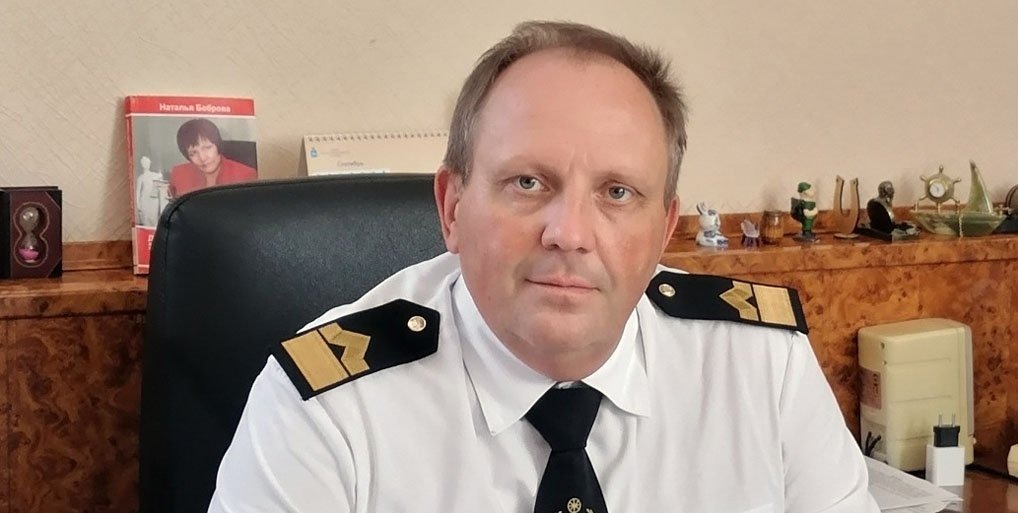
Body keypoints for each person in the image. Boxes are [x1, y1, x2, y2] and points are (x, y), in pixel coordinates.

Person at [209, 21, 878, 512]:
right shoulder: (327, 409)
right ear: (452, 207)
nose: (570, 234)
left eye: (618, 193)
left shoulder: (761, 367)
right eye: (528, 183)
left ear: (663, 230)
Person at [168, 118, 257, 199]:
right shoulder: (178, 173)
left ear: (217, 146)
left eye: (207, 148)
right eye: (193, 153)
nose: (202, 158)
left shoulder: (246, 175)